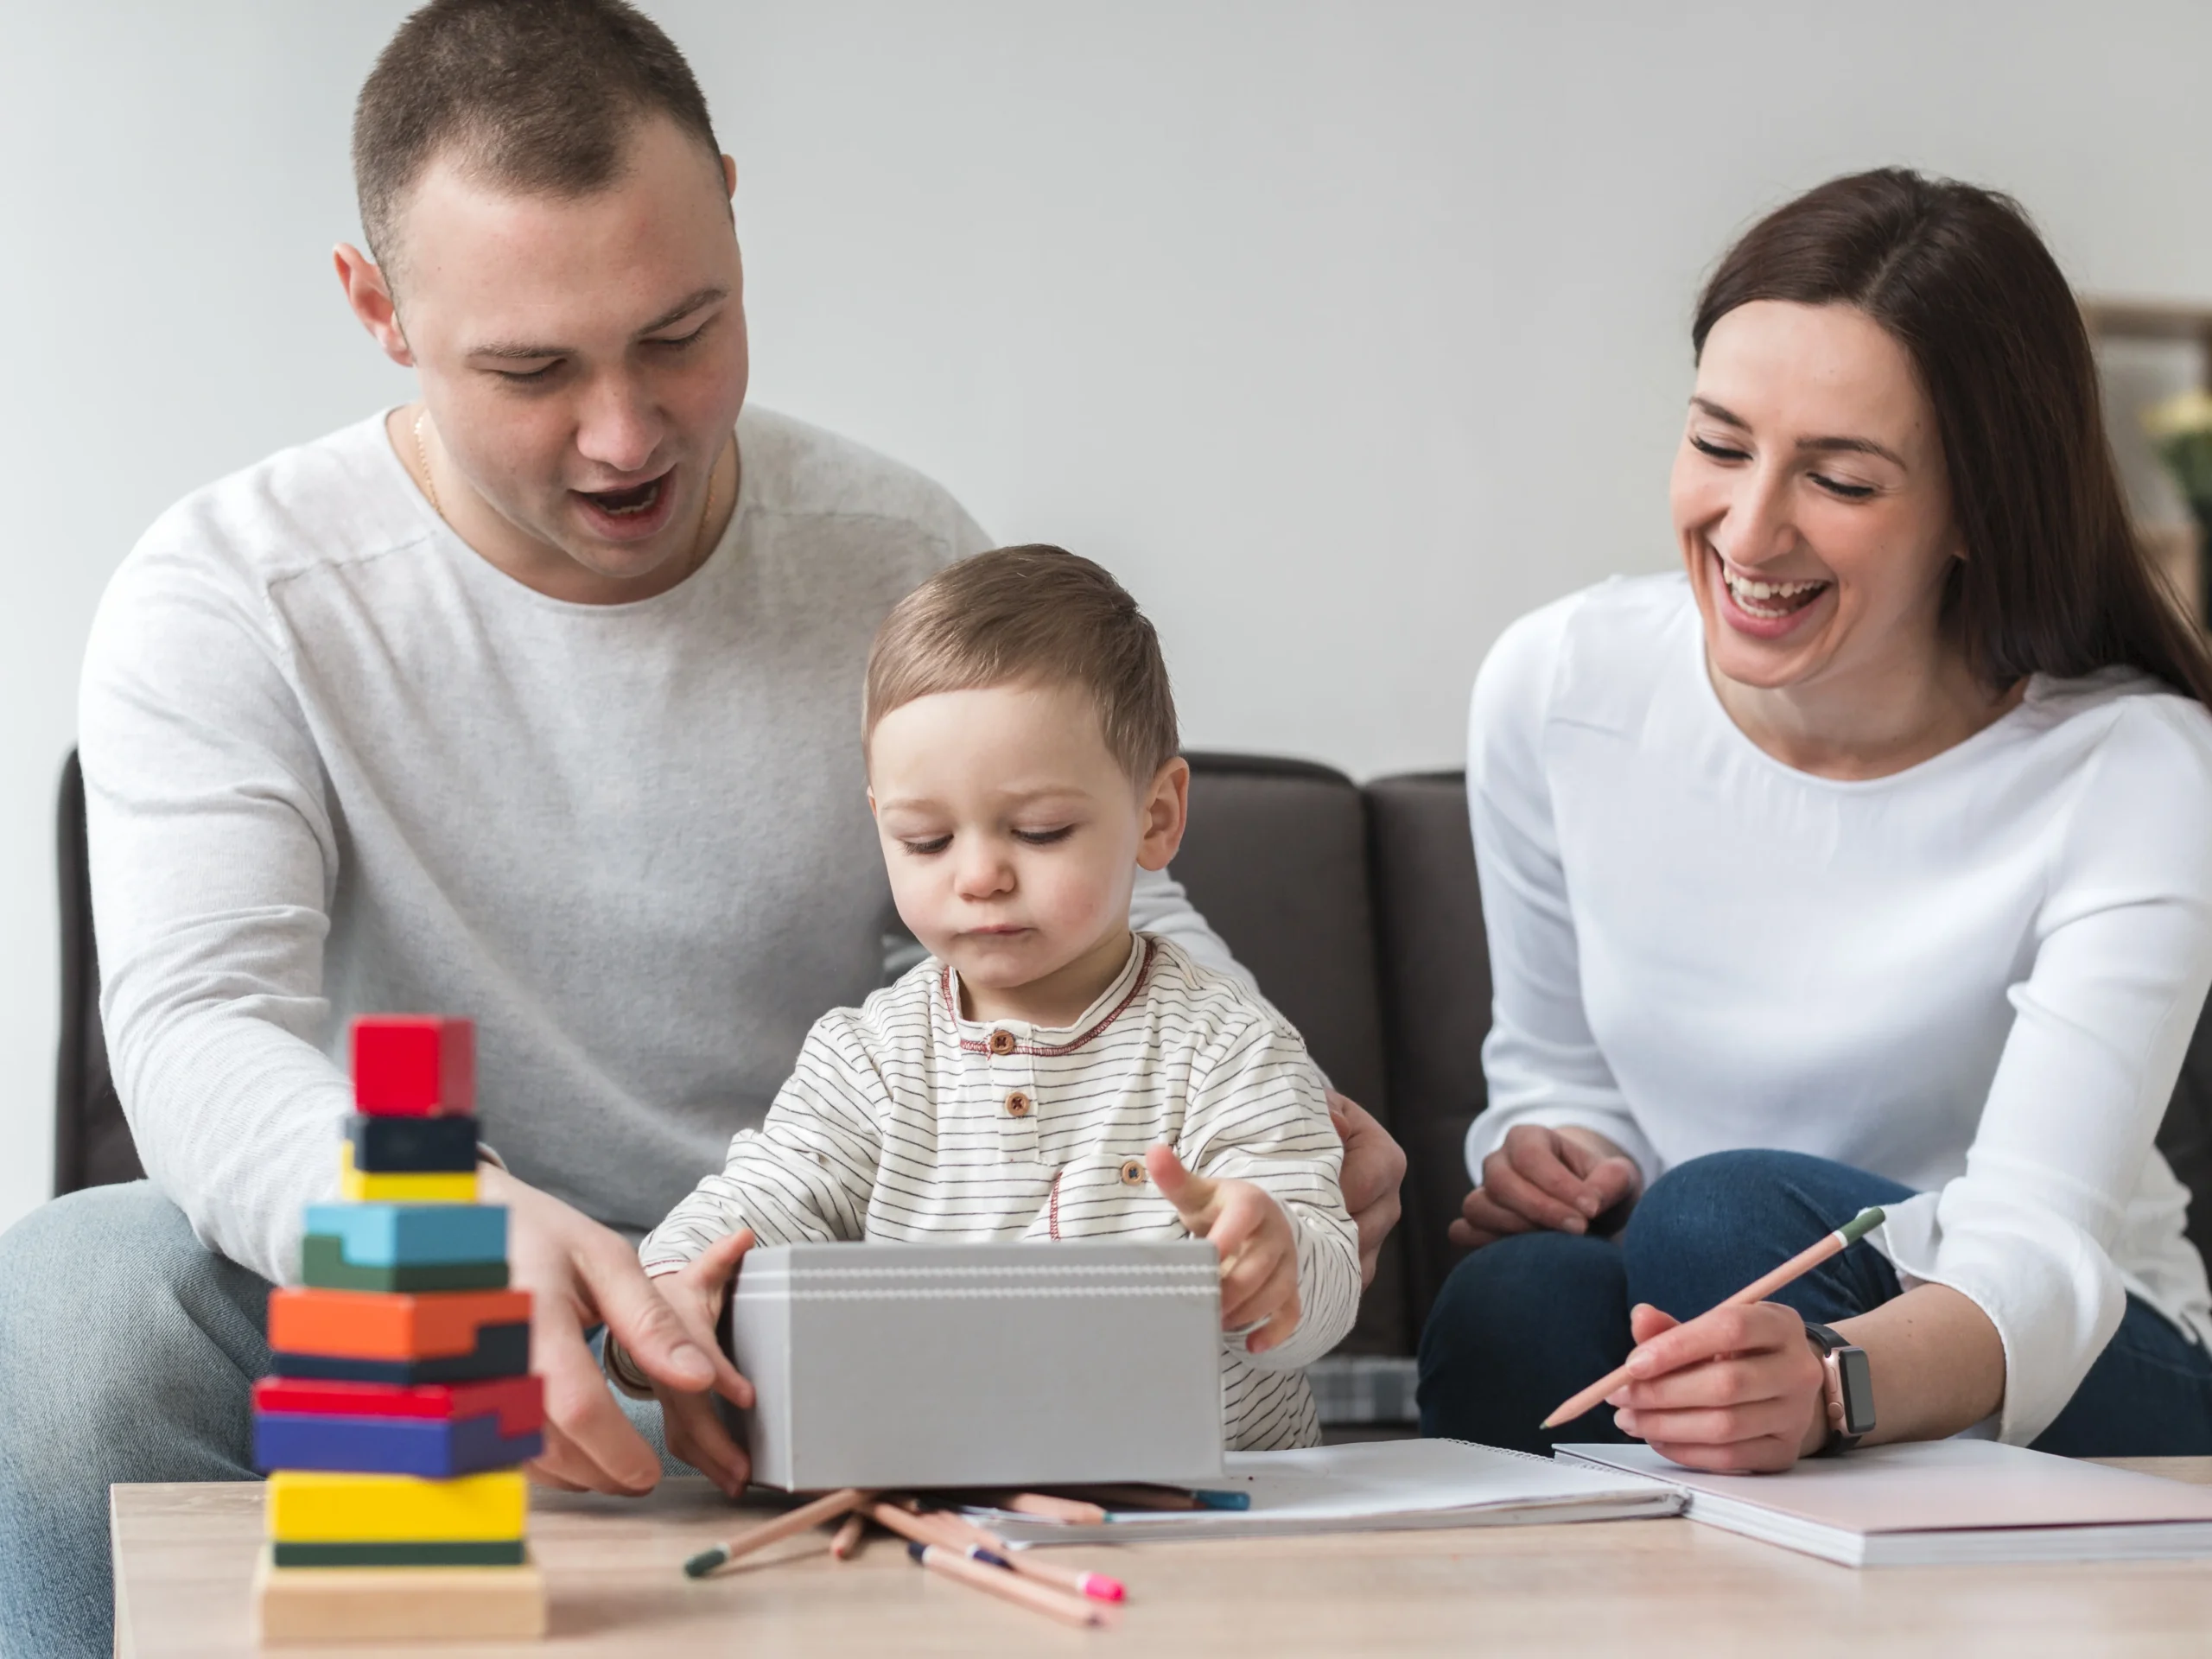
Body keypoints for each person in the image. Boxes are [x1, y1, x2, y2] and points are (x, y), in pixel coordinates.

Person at [0, 5, 1405, 1655]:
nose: (625, 433)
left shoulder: (889, 551)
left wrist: (1275, 1115)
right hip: (419, 1283)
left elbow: (1072, 917)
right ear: (377, 310)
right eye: (533, 369)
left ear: (735, 211)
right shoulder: (234, 591)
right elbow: (194, 1029)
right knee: (78, 1306)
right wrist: (440, 1209)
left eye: (683, 332)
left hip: (792, 1307)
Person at [1418, 168, 2212, 1471]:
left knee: (1720, 1225)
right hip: (1721, 1307)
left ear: (1976, 509)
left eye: (1839, 479)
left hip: (2067, 1356)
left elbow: (2039, 1253)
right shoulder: (1560, 686)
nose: (1748, 526)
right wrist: (1556, 1156)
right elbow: (1554, 1070)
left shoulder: (2135, 769)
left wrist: (1833, 1384)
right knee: (1517, 1305)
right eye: (1720, 444)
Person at [613, 547, 1359, 1474]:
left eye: (1039, 831)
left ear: (1158, 816)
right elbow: (756, 1203)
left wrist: (1278, 1255)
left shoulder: (1229, 1045)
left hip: (1208, 1504)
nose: (977, 876)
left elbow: (1322, 1295)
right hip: (935, 1498)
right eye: (924, 840)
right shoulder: (870, 1058)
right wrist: (671, 1297)